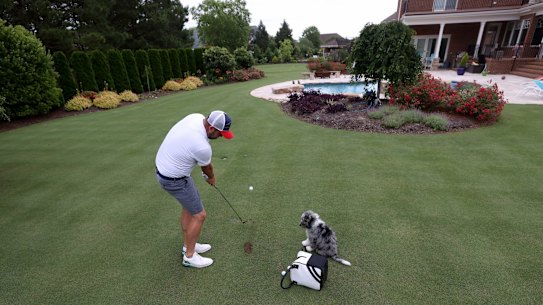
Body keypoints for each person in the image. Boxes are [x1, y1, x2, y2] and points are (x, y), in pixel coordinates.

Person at [155, 110, 234, 268]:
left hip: (166, 169)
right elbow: (207, 169)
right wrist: (211, 178)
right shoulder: (202, 147)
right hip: (173, 178)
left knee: (190, 208)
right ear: (211, 128)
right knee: (199, 215)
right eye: (220, 134)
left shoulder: (196, 117)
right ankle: (189, 256)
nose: (220, 137)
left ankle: (188, 245)